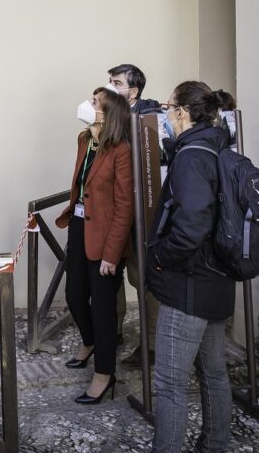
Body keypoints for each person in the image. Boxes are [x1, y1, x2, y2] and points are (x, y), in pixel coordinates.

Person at [147, 80, 236, 453]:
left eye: (169, 108)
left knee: (169, 382)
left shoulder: (191, 156)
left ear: (182, 113)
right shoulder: (218, 146)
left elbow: (192, 225)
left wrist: (159, 257)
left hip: (189, 285)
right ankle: (215, 445)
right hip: (218, 277)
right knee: (214, 373)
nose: (166, 115)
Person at [56, 87, 134, 404]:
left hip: (105, 237)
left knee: (103, 310)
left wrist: (112, 254)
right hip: (79, 228)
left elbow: (124, 207)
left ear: (107, 114)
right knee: (74, 295)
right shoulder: (84, 140)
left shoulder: (121, 150)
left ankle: (104, 374)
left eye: (94, 103)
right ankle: (88, 343)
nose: (88, 105)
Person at [108, 63, 162, 369]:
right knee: (110, 274)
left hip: (142, 217)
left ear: (134, 91)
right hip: (114, 213)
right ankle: (113, 332)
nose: (112, 88)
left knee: (143, 280)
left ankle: (151, 346)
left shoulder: (146, 118)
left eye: (117, 83)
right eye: (110, 82)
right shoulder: (110, 117)